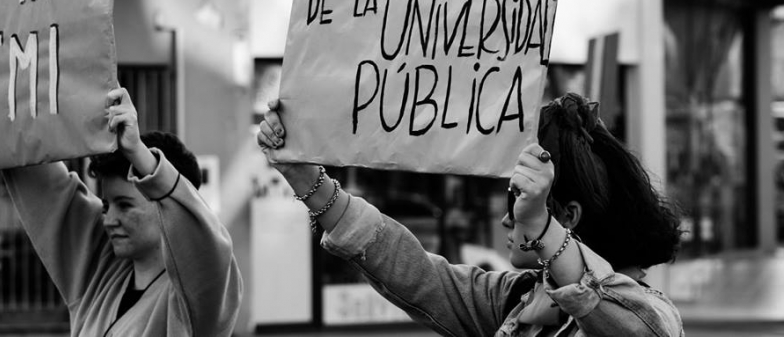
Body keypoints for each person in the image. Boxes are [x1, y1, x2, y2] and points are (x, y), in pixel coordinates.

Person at [257, 93, 684, 337]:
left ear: (567, 216)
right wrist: (306, 178)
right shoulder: (516, 300)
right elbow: (416, 272)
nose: (507, 219)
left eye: (518, 201)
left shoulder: (653, 313)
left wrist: (540, 227)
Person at [0, 35, 242, 337]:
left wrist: (138, 153)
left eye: (125, 205)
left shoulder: (198, 298)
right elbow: (36, 175)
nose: (109, 219)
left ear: (168, 209)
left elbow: (209, 251)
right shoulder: (98, 270)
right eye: (106, 205)